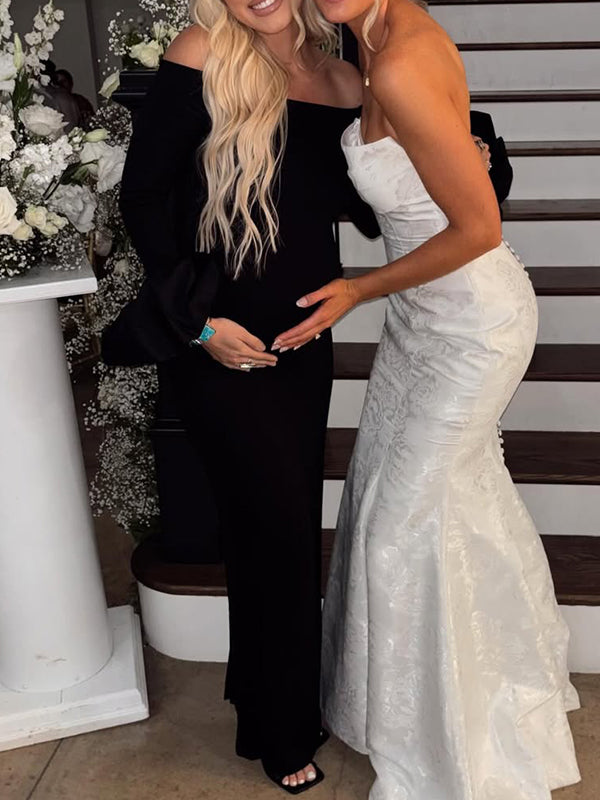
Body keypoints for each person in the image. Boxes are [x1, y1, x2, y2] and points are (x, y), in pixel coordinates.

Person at [272, 1, 581, 798]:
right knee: (413, 505)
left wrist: (359, 287)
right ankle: (477, 687)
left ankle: (450, 737)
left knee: (397, 530)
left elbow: (479, 227)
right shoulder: (367, 41)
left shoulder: (404, 56)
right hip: (421, 319)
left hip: (472, 325)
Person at [101, 0, 378, 793]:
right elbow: (143, 199)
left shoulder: (342, 79)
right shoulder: (204, 53)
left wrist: (457, 151)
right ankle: (280, 728)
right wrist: (195, 327)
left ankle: (269, 699)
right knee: (273, 531)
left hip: (302, 343)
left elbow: (360, 207)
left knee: (283, 529)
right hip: (218, 342)